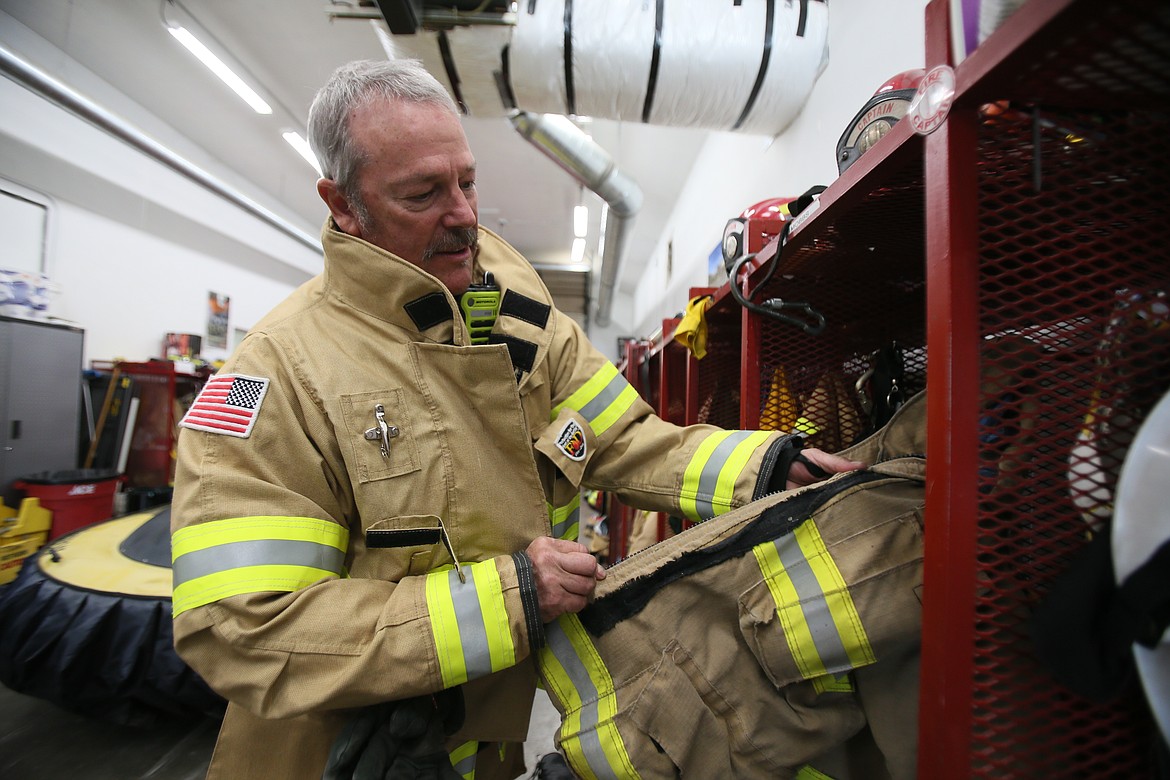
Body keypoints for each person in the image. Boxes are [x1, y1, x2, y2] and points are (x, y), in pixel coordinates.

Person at [169, 58, 864, 780]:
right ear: (344, 205)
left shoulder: (518, 315)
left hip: (492, 740)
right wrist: (509, 599)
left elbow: (626, 442)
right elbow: (242, 627)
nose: (465, 215)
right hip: (344, 754)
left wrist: (770, 469)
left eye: (467, 181)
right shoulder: (279, 373)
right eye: (423, 193)